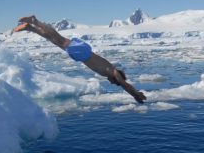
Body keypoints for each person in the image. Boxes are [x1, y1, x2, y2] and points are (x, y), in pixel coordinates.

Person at [13, 15, 147, 104]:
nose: (112, 83)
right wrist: (135, 94)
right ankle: (34, 21)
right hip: (83, 53)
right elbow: (125, 85)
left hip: (82, 54)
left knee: (55, 40)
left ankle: (30, 27)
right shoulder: (114, 72)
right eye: (115, 82)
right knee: (57, 37)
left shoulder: (111, 72)